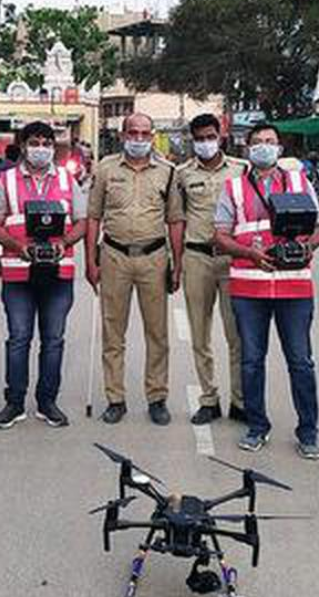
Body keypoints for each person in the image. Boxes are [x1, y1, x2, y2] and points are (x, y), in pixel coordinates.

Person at [214, 123, 319, 458]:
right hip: (249, 287)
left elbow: (318, 228)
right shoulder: (232, 187)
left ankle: (308, 432)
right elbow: (219, 235)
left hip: (294, 287)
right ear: (247, 148)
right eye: (258, 142)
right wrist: (249, 254)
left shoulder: (298, 181)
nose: (265, 147)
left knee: (301, 362)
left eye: (271, 142)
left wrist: (308, 249)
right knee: (251, 361)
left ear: (280, 148)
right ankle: (256, 427)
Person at [0, 122, 88, 429]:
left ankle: (47, 402)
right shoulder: (6, 181)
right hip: (18, 272)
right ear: (23, 144)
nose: (41, 147)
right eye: (35, 142)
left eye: (46, 142)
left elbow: (82, 222)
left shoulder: (69, 181)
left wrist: (64, 244)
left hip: (58, 273)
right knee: (19, 339)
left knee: (53, 340)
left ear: (53, 147)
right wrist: (18, 246)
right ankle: (14, 403)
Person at [86, 113, 181, 426]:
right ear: (122, 134)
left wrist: (177, 263)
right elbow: (93, 217)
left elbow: (175, 221)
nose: (138, 139)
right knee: (113, 333)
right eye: (133, 133)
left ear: (152, 136)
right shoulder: (105, 169)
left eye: (144, 133)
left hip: (154, 258)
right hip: (114, 256)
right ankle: (115, 398)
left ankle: (157, 397)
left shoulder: (168, 172)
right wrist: (90, 259)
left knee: (157, 333)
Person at [169, 114, 248, 425]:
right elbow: (177, 219)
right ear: (193, 140)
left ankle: (240, 401)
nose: (205, 142)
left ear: (221, 135)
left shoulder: (241, 170)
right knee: (199, 334)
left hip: (232, 260)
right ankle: (209, 399)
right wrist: (176, 264)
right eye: (199, 138)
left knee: (236, 335)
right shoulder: (182, 174)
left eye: (210, 136)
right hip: (197, 257)